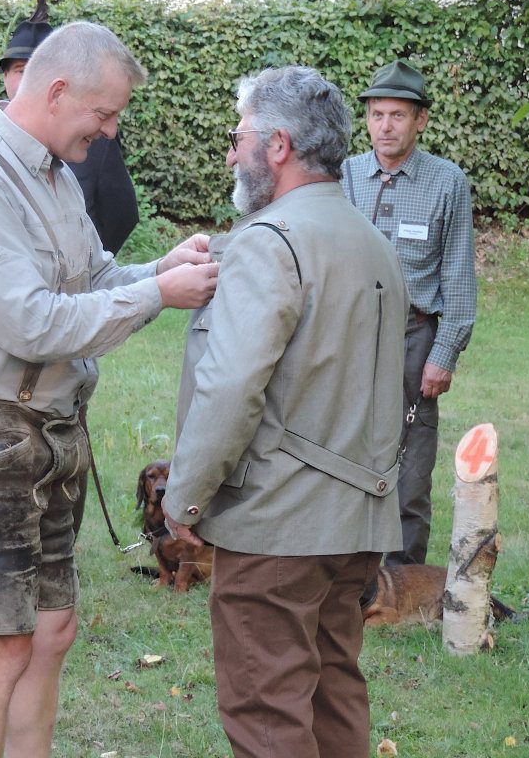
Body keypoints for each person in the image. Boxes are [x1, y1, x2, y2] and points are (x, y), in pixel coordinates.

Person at [0, 21, 217, 758]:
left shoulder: (53, 175)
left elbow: (91, 279)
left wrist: (156, 271)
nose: (108, 134)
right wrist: (161, 296)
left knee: (52, 630)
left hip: (45, 435)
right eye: (103, 116)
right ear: (57, 90)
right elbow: (33, 324)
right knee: (3, 644)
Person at [163, 65, 409, 758]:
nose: (230, 153)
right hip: (357, 522)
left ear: (276, 145)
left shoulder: (269, 243)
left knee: (266, 712)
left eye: (238, 137)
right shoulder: (374, 245)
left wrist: (183, 500)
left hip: (278, 528)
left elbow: (231, 388)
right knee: (334, 699)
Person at [340, 59, 476, 566]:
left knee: (412, 461)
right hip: (350, 336)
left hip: (414, 337)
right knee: (344, 447)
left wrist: (443, 355)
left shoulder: (447, 182)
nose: (385, 127)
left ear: (420, 120)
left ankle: (405, 580)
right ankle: (345, 566)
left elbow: (459, 281)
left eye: (397, 115)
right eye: (377, 115)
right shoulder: (347, 175)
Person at [0, 0, 139, 255]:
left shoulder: (73, 160)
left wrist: (87, 270)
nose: (109, 129)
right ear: (5, 76)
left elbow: (120, 213)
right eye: (21, 70)